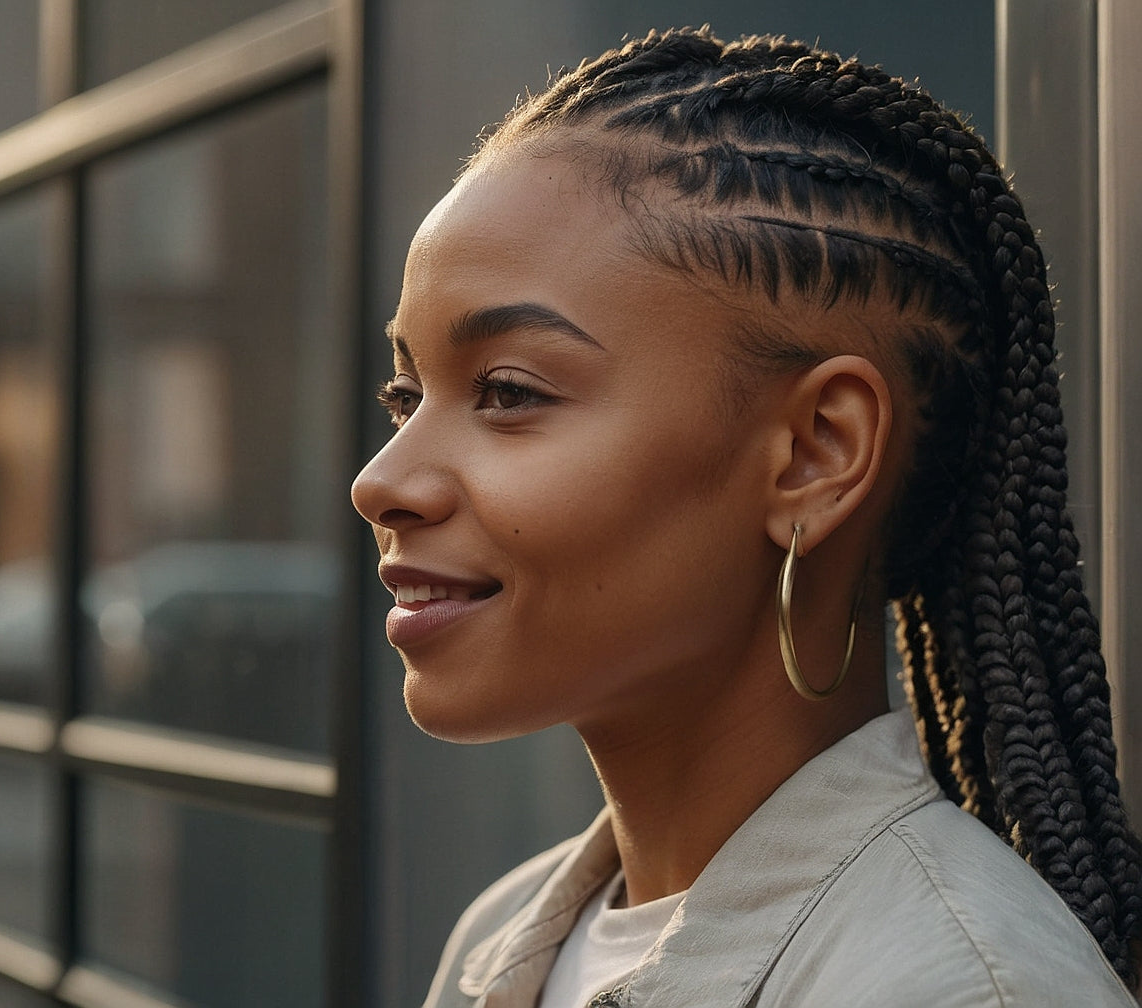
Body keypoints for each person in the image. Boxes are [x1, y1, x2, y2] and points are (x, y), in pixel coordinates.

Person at [350, 27, 1140, 1007]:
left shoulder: (961, 988)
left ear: (815, 452)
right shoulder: (502, 940)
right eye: (403, 395)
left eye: (507, 392)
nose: (381, 480)